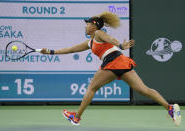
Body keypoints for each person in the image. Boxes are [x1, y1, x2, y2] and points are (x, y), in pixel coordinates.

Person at [41, 11, 181, 126]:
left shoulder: (98, 33)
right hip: (121, 62)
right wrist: (50, 52)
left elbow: (110, 38)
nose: (85, 26)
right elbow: (70, 49)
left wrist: (120, 45)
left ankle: (76, 117)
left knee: (92, 88)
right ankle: (169, 108)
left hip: (113, 61)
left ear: (94, 26)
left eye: (87, 23)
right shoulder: (89, 42)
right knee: (144, 90)